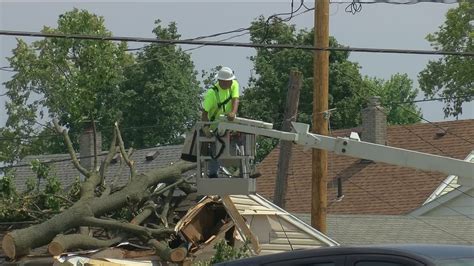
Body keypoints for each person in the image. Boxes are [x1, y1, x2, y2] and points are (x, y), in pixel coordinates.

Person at [201, 66, 240, 178]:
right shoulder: (211, 93)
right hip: (214, 125)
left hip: (229, 122)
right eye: (228, 81)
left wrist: (233, 112)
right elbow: (204, 113)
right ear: (221, 81)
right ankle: (213, 173)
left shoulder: (234, 84)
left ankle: (245, 169)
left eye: (231, 80)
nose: (231, 82)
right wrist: (206, 128)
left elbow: (235, 99)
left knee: (241, 140)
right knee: (215, 147)